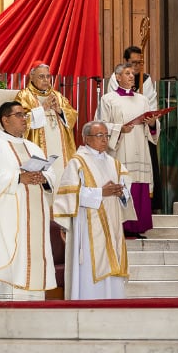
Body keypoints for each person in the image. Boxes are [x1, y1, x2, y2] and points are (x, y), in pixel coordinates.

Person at [0, 102, 57, 301]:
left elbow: (52, 173)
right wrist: (18, 178)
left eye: (25, 115)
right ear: (5, 120)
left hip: (34, 218)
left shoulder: (33, 147)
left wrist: (44, 178)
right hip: (10, 219)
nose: (24, 119)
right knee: (10, 261)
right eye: (19, 115)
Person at [54, 121, 131, 300]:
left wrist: (121, 192)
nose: (104, 140)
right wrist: (100, 193)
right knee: (91, 266)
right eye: (100, 136)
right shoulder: (78, 162)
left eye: (106, 135)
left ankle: (114, 303)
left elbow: (127, 188)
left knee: (113, 264)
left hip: (112, 224)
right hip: (88, 225)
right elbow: (68, 195)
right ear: (86, 138)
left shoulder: (114, 163)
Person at [95, 64, 155, 235]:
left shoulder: (142, 100)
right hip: (120, 149)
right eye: (127, 73)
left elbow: (150, 129)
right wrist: (119, 129)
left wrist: (152, 123)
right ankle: (121, 227)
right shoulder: (108, 99)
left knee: (138, 186)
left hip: (140, 148)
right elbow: (100, 125)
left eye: (132, 74)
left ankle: (138, 227)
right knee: (123, 184)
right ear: (117, 77)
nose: (131, 76)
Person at [16, 62, 77, 181]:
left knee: (61, 179)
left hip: (60, 148)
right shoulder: (24, 96)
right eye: (41, 76)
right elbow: (20, 120)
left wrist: (60, 111)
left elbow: (72, 116)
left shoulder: (57, 96)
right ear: (32, 77)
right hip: (38, 146)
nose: (46, 80)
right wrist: (42, 108)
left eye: (48, 76)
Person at [105, 46, 157, 110]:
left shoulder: (145, 79)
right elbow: (112, 102)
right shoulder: (116, 78)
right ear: (126, 61)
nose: (137, 66)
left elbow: (151, 104)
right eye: (134, 62)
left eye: (139, 62)